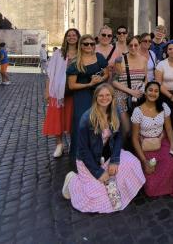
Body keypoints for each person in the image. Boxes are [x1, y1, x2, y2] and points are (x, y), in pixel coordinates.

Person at [62, 84, 145, 212]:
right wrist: (98, 172)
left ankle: (119, 188)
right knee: (97, 198)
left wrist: (114, 160)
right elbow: (83, 151)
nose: (104, 98)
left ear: (112, 97)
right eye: (101, 95)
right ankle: (72, 181)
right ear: (95, 97)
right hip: (89, 160)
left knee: (133, 163)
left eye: (107, 95)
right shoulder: (86, 118)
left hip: (108, 154)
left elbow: (118, 137)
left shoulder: (115, 111)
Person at [131, 81, 173, 198]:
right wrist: (144, 161)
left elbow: (168, 129)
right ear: (145, 92)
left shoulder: (163, 107)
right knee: (151, 189)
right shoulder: (138, 111)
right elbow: (134, 138)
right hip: (145, 146)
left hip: (161, 142)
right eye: (150, 90)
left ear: (159, 93)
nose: (153, 93)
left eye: (156, 91)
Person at [67, 34, 109, 160]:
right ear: (81, 45)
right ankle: (79, 154)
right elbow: (71, 85)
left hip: (99, 95)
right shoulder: (76, 62)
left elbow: (107, 73)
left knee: (99, 122)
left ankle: (97, 152)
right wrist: (89, 83)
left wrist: (100, 78)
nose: (89, 46)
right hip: (82, 95)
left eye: (92, 43)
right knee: (82, 122)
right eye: (86, 44)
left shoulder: (99, 57)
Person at [43, 28, 80, 158]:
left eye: (74, 35)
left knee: (71, 117)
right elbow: (50, 73)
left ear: (78, 37)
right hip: (58, 91)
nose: (71, 37)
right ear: (65, 38)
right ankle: (59, 144)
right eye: (69, 35)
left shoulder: (82, 53)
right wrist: (47, 90)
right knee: (57, 117)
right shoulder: (59, 53)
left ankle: (71, 141)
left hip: (74, 90)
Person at [112, 35, 147, 115]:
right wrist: (131, 92)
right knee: (126, 126)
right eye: (130, 45)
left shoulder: (144, 60)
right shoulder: (120, 60)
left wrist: (141, 91)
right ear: (127, 46)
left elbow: (145, 79)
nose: (133, 47)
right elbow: (114, 81)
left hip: (138, 95)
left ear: (139, 45)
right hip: (122, 95)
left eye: (136, 45)